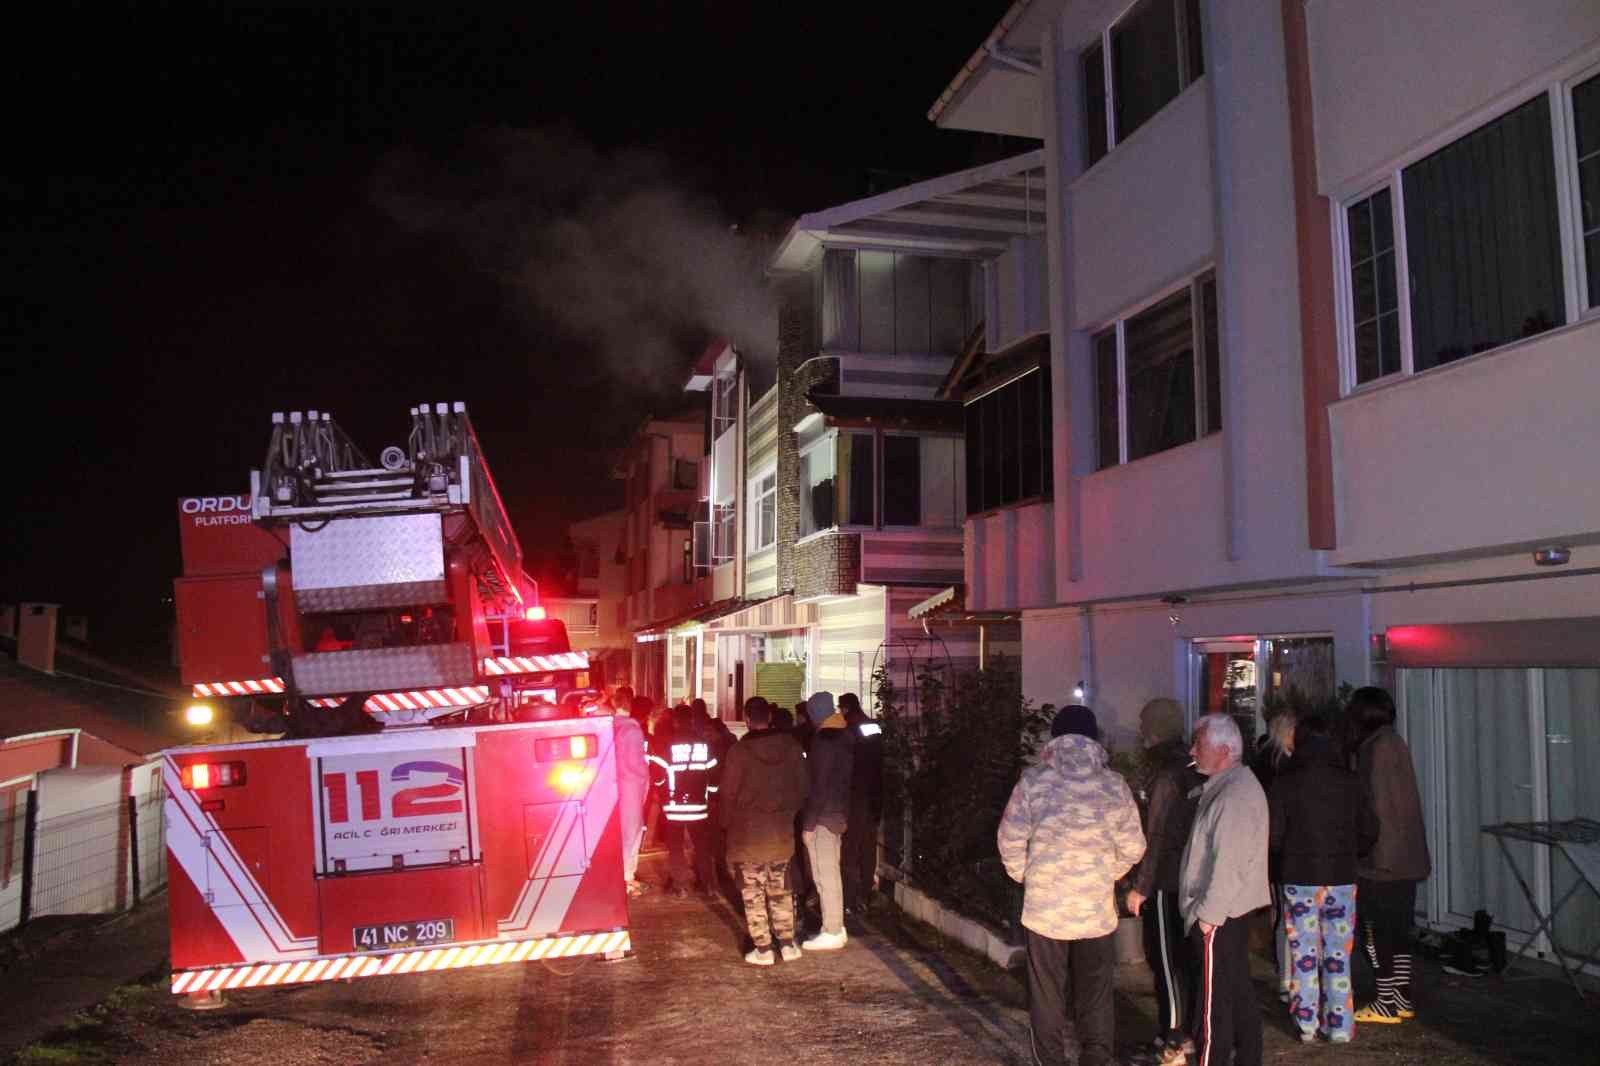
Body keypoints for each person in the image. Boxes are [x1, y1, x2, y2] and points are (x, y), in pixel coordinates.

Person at [998, 705, 1145, 1066]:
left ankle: (1051, 1061)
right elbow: (1134, 846)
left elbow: (1009, 838)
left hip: (1045, 910)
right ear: (1094, 739)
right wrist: (1106, 874)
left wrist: (1025, 875)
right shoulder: (1113, 785)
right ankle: (1095, 1059)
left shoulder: (1033, 781)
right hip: (1095, 910)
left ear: (1056, 739)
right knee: (1096, 995)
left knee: (1047, 994)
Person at [1269, 714, 1378, 1044]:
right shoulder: (1352, 782)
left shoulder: (1286, 782)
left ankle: (1306, 1022)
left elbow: (1274, 835)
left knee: (1303, 953)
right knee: (1338, 953)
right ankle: (1339, 1024)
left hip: (1299, 877)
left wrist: (1287, 854)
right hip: (1341, 878)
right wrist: (1351, 852)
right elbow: (1370, 830)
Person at [1179, 713, 1270, 1066]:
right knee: (1235, 992)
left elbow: (1229, 863)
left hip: (1220, 913)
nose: (1193, 751)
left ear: (1225, 750)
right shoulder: (1230, 787)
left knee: (1214, 1005)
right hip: (1227, 912)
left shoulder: (1233, 795)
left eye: (1199, 744)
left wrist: (1208, 916)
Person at [1124, 698, 1204, 1066]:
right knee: (1186, 961)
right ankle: (1181, 1033)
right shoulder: (1193, 765)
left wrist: (1142, 886)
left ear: (1154, 729)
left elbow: (1156, 834)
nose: (1140, 731)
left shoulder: (1166, 774)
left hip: (1166, 880)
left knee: (1166, 962)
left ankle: (1172, 1042)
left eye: (1144, 724)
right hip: (1192, 879)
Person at [1348, 686, 1430, 1024]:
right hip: (1407, 858)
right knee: (1399, 931)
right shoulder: (1394, 742)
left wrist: (1362, 849)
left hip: (1381, 863)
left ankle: (1385, 1001)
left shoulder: (1373, 749)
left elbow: (1374, 808)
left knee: (1376, 931)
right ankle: (1400, 996)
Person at [721, 697, 810, 965]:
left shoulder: (739, 752)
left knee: (753, 894)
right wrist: (787, 814)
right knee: (781, 889)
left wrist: (725, 825)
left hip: (748, 837)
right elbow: (803, 789)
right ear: (769, 718)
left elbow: (727, 795)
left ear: (747, 719)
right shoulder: (791, 747)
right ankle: (787, 943)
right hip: (781, 835)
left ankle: (763, 948)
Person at [800, 691, 854, 950]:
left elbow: (818, 786)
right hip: (839, 813)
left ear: (815, 715)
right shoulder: (845, 736)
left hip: (824, 817)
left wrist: (809, 824)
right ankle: (835, 926)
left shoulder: (823, 741)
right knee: (832, 872)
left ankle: (832, 930)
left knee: (825, 875)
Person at [661, 703, 720, 898]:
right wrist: (711, 795)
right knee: (702, 845)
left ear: (675, 722)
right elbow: (714, 774)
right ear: (692, 720)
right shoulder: (703, 745)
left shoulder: (668, 745)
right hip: (698, 806)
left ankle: (681, 886)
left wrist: (662, 795)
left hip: (674, 806)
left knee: (675, 846)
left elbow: (660, 776)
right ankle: (708, 885)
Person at [839, 692, 884, 917]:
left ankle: (849, 898)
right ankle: (866, 893)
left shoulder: (848, 730)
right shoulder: (874, 726)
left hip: (856, 796)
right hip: (874, 794)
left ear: (846, 709)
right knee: (868, 847)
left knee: (850, 848)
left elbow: (846, 765)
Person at [612, 690, 650, 898]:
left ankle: (618, 875)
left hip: (611, 788)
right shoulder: (632, 730)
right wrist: (645, 785)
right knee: (631, 833)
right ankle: (627, 877)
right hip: (630, 788)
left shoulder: (609, 725)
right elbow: (637, 766)